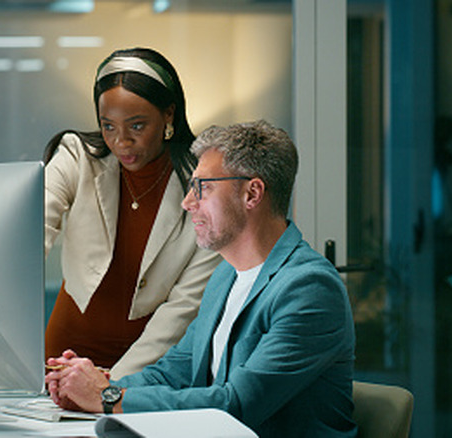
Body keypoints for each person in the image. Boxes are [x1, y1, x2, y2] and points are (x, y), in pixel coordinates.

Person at [45, 120, 357, 437]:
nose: (187, 203)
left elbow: (235, 407)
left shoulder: (310, 289)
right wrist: (94, 386)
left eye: (203, 188)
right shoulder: (225, 277)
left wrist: (107, 398)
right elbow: (173, 371)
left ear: (252, 193)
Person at [43, 47, 221, 379]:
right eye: (108, 126)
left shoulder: (204, 187)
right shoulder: (76, 156)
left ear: (169, 114)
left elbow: (184, 307)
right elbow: (30, 231)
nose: (121, 141)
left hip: (151, 364)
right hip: (63, 356)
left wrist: (110, 384)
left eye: (137, 126)